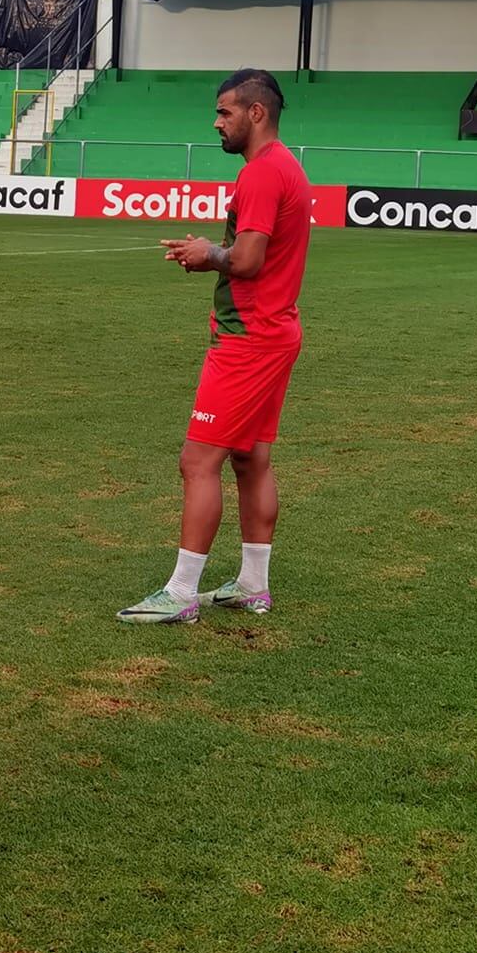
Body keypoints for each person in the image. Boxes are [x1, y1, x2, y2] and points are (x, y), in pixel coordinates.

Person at [119, 68, 311, 625]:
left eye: (225, 111)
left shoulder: (262, 173)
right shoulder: (286, 167)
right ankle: (253, 585)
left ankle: (181, 593)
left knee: (198, 460)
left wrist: (210, 253)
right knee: (251, 459)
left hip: (248, 338)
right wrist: (208, 253)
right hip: (275, 331)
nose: (217, 122)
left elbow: (247, 260)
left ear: (256, 113)